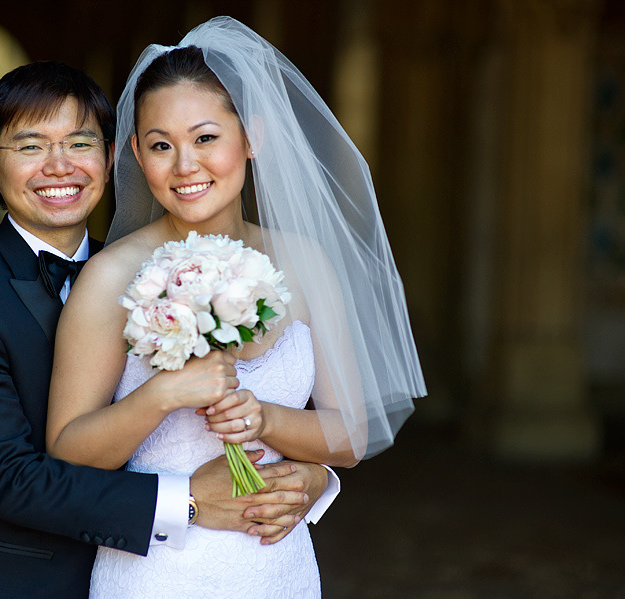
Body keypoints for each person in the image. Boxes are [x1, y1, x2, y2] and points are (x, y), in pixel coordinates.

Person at [0, 60, 332, 599]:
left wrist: (314, 477)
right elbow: (9, 480)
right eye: (32, 146)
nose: (59, 166)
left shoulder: (150, 274)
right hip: (20, 582)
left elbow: (337, 425)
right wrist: (190, 501)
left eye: (80, 144)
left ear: (111, 159)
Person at [47, 17, 426, 599]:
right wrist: (165, 393)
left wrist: (265, 419)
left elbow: (349, 439)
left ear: (251, 137)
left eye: (205, 138)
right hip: (154, 573)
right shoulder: (111, 278)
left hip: (276, 569)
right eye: (160, 146)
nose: (185, 166)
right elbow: (67, 450)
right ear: (135, 155)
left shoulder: (305, 263)